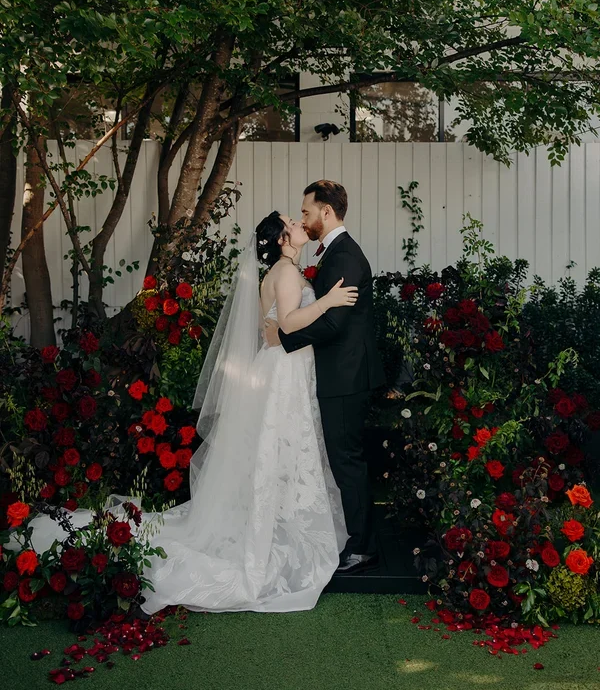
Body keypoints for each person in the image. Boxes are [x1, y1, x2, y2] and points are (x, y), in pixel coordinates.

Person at [25, 213, 358, 613]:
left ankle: (278, 524)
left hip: (279, 368)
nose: (297, 220)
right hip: (283, 375)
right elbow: (285, 325)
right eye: (291, 220)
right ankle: (276, 533)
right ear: (283, 239)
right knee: (282, 453)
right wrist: (327, 301)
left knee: (278, 456)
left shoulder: (280, 272)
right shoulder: (286, 274)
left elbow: (267, 329)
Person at [265, 181, 385, 574]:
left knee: (346, 460)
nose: (303, 218)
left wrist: (284, 337)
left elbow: (333, 323)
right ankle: (357, 538)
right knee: (341, 459)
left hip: (346, 376)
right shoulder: (334, 254)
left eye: (306, 212)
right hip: (338, 374)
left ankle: (363, 546)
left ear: (326, 212)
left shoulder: (345, 256)